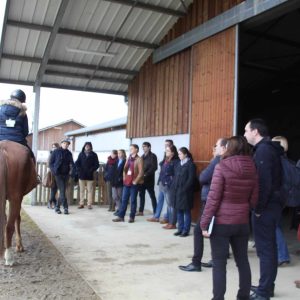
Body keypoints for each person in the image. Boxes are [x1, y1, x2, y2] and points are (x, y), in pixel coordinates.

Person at [201, 136, 258, 300]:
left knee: (219, 263)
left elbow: (213, 198)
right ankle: (243, 296)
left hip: (222, 223)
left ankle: (218, 298)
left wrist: (204, 224)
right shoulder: (252, 167)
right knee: (243, 261)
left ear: (229, 148)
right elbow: (254, 199)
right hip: (242, 222)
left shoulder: (222, 166)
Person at [244, 119, 284, 300]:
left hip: (266, 207)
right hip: (271, 205)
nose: (244, 134)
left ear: (255, 132)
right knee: (267, 248)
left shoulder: (264, 151)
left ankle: (264, 291)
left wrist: (258, 208)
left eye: (246, 131)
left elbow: (264, 183)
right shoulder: (266, 149)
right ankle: (266, 286)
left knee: (266, 249)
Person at [179, 137, 227, 272]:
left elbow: (203, 177)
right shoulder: (231, 161)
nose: (215, 148)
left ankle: (196, 263)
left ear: (223, 148)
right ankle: (216, 259)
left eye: (217, 146)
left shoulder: (217, 160)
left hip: (211, 200)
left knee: (199, 230)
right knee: (217, 231)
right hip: (221, 201)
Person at [271, 136, 291, 266]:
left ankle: (282, 255)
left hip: (277, 198)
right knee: (275, 225)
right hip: (283, 198)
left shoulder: (278, 162)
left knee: (274, 226)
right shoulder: (286, 161)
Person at [147, 145, 179, 224]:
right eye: (166, 150)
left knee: (170, 204)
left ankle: (171, 222)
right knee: (162, 201)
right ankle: (157, 216)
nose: (166, 152)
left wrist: (170, 182)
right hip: (162, 183)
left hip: (168, 185)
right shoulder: (166, 160)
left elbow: (175, 175)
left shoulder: (175, 161)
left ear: (172, 153)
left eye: (168, 151)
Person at [0, 89, 34, 160]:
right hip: (18, 140)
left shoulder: (0, 110)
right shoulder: (23, 112)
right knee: (31, 157)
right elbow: (25, 131)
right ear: (21, 101)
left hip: (0, 138)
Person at [113, 144, 144, 223]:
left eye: (132, 148)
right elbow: (124, 169)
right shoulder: (128, 158)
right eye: (130, 148)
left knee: (133, 201)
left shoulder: (139, 159)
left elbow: (141, 173)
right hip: (127, 182)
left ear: (136, 149)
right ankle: (121, 216)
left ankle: (131, 217)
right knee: (124, 200)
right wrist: (124, 178)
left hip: (134, 184)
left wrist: (135, 181)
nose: (130, 150)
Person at [172, 147, 196, 237]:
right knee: (179, 211)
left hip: (186, 192)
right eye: (178, 154)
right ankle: (180, 229)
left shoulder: (190, 165)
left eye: (180, 154)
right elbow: (175, 176)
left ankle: (186, 230)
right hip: (177, 191)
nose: (179, 156)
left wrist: (184, 189)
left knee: (186, 211)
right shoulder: (179, 164)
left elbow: (191, 179)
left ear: (185, 154)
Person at [49, 139, 75, 215]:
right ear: (61, 144)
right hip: (58, 174)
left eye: (67, 144)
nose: (65, 145)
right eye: (64, 143)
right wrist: (54, 171)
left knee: (62, 192)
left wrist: (72, 172)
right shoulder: (56, 152)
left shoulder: (69, 153)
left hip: (66, 175)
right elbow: (51, 163)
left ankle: (57, 207)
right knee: (63, 190)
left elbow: (72, 163)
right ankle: (65, 207)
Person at [75, 142, 99, 209]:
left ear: (91, 147)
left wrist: (91, 169)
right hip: (81, 175)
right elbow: (77, 163)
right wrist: (79, 169)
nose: (87, 147)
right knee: (81, 190)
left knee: (89, 190)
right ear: (84, 147)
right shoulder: (81, 154)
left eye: (88, 146)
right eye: (86, 146)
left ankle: (89, 204)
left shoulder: (94, 155)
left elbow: (97, 164)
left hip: (90, 175)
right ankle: (81, 204)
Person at [137, 142, 158, 215]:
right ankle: (141, 211)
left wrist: (146, 174)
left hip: (149, 180)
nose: (143, 148)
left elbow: (154, 167)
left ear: (149, 147)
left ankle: (156, 212)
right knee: (141, 195)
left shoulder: (153, 156)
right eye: (142, 147)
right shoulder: (142, 156)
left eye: (145, 146)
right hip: (142, 180)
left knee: (152, 196)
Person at [112, 149, 126, 216]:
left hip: (120, 182)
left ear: (123, 154)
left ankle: (120, 210)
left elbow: (125, 171)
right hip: (114, 181)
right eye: (118, 153)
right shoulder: (116, 161)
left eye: (120, 153)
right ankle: (119, 208)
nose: (119, 154)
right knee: (115, 196)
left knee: (120, 196)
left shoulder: (125, 161)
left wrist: (121, 178)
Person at [47, 142, 60, 209]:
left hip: (58, 174)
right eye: (53, 147)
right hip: (52, 174)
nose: (54, 148)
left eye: (55, 147)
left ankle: (53, 202)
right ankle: (51, 202)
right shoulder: (51, 154)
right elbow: (48, 164)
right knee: (53, 188)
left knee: (55, 189)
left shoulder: (59, 154)